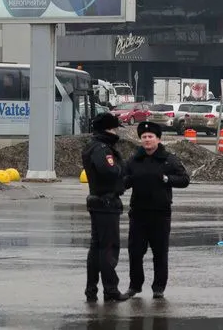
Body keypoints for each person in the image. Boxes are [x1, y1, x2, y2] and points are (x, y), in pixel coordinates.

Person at [124, 121, 190, 299]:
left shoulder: (169, 159)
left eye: (150, 137)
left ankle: (158, 288)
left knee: (160, 253)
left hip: (160, 213)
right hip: (138, 213)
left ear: (158, 139)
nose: (147, 140)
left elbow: (184, 179)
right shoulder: (134, 160)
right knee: (135, 251)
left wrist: (168, 179)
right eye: (144, 137)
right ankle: (135, 286)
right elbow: (124, 179)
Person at [81, 112, 131, 303]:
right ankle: (110, 290)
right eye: (114, 127)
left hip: (99, 202)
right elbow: (109, 170)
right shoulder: (103, 148)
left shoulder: (93, 146)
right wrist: (122, 169)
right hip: (106, 203)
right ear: (109, 128)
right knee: (108, 248)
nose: (116, 131)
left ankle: (91, 289)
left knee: (97, 248)